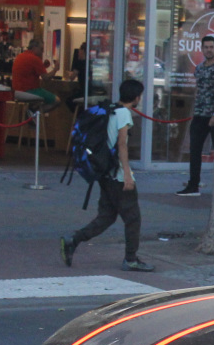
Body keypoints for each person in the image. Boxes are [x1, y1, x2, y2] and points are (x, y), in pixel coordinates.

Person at [60, 79, 154, 272]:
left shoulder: (109, 110)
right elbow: (122, 145)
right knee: (133, 218)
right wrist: (127, 175)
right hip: (118, 175)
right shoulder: (124, 115)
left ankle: (74, 239)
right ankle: (131, 259)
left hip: (104, 173)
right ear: (137, 97)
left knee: (107, 217)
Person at [178, 34, 214, 196]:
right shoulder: (200, 67)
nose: (209, 50)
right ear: (202, 49)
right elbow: (199, 90)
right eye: (206, 47)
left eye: (211, 47)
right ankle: (193, 184)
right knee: (195, 151)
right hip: (199, 114)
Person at [12, 39, 60, 113]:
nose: (42, 52)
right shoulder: (35, 59)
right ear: (34, 48)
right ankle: (34, 114)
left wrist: (43, 66)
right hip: (30, 90)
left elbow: (29, 71)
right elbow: (46, 78)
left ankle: (31, 113)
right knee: (57, 101)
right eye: (41, 49)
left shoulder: (20, 56)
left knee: (37, 101)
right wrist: (55, 69)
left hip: (17, 91)